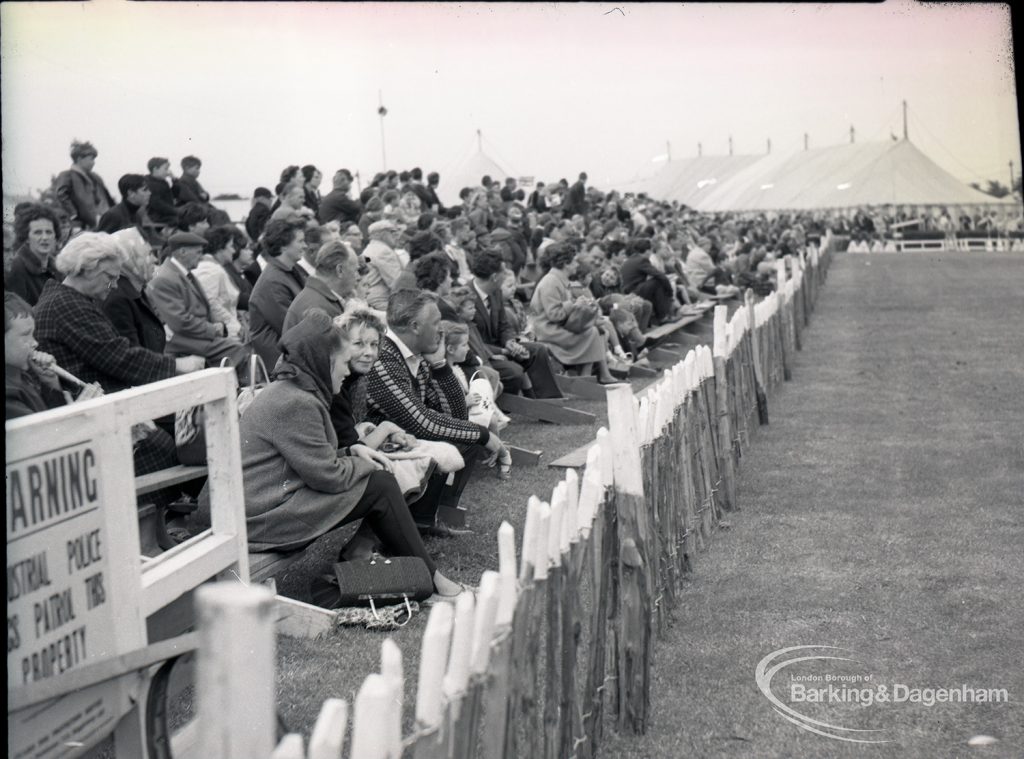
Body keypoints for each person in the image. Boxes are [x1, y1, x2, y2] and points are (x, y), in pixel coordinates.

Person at [195, 309, 467, 600]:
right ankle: (429, 578)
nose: (347, 371)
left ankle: (418, 572)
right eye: (342, 363)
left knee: (379, 484)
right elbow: (328, 477)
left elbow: (312, 457)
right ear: (324, 364)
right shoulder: (296, 401)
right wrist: (362, 462)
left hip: (254, 509)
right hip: (254, 521)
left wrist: (351, 451)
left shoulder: (294, 392)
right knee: (380, 484)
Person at [366, 290, 506, 531]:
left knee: (463, 436)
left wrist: (440, 365)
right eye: (435, 323)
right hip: (374, 444)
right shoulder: (383, 357)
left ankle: (426, 519)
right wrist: (484, 435)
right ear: (415, 326)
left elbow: (455, 415)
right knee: (464, 436)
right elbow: (420, 421)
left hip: (402, 438)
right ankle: (408, 525)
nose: (442, 330)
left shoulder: (415, 356)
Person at [147, 232, 251, 374]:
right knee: (237, 349)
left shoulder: (181, 273)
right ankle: (244, 390)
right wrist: (213, 329)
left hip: (193, 335)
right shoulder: (165, 278)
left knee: (237, 346)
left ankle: (239, 388)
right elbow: (180, 322)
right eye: (198, 252)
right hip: (181, 340)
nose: (201, 257)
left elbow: (203, 309)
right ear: (182, 252)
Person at [469, 248, 563, 398]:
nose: (507, 275)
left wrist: (510, 343)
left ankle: (550, 401)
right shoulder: (466, 297)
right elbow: (473, 343)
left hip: (501, 347)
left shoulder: (495, 292)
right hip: (481, 355)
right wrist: (502, 352)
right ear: (494, 277)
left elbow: (503, 325)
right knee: (514, 371)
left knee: (538, 350)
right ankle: (506, 405)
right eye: (504, 272)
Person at [6, 291, 105, 419]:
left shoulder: (22, 376)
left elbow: (49, 417)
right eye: (26, 335)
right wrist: (78, 413)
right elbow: (43, 436)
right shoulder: (9, 392)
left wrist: (50, 383)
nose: (35, 343)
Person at [529, 244, 615, 383]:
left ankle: (589, 378)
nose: (577, 264)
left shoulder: (558, 279)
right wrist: (574, 304)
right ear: (565, 264)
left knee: (595, 330)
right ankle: (587, 379)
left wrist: (580, 304)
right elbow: (554, 315)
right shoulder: (551, 282)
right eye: (574, 261)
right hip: (547, 331)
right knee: (592, 332)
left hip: (556, 327)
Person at [248, 219, 308, 368]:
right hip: (282, 363)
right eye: (300, 241)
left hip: (293, 354)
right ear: (283, 245)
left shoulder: (290, 271)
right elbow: (292, 326)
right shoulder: (272, 282)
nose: (305, 246)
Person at [282, 240, 359, 331]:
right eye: (355, 271)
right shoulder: (320, 309)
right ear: (340, 270)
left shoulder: (317, 297)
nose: (358, 277)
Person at [193, 226, 244, 339]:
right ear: (220, 247)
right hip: (223, 334)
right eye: (231, 246)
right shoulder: (210, 270)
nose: (234, 251)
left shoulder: (212, 267)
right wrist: (234, 325)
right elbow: (210, 303)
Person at [7, 204, 64, 306]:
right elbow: (18, 313)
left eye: (49, 232)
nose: (44, 237)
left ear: (55, 235)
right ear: (27, 237)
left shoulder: (57, 266)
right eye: (38, 232)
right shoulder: (17, 267)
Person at [54, 140, 114, 231]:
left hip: (104, 220)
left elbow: (108, 198)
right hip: (83, 225)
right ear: (79, 159)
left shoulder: (96, 177)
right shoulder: (67, 175)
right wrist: (73, 215)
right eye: (91, 159)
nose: (93, 162)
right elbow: (61, 195)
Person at [620, 237, 678, 324]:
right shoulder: (642, 260)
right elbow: (660, 275)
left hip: (628, 291)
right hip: (632, 292)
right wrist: (670, 291)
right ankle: (663, 317)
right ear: (647, 251)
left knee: (655, 283)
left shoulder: (631, 259)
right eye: (650, 251)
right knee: (657, 281)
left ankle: (661, 316)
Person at [362, 219, 404, 310]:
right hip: (382, 300)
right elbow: (397, 283)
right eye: (391, 231)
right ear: (379, 234)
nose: (397, 235)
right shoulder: (383, 251)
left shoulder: (371, 247)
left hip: (369, 297)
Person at [145, 157, 179, 229]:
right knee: (183, 220)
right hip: (157, 216)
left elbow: (176, 194)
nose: (168, 172)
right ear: (155, 169)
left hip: (166, 214)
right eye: (165, 169)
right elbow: (157, 203)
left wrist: (174, 179)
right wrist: (176, 211)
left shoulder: (162, 182)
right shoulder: (149, 183)